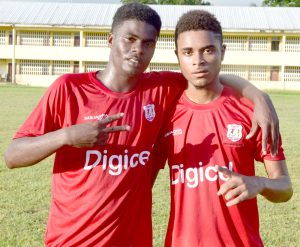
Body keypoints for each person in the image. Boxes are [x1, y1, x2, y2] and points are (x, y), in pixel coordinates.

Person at [4, 3, 280, 247]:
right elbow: (12, 156)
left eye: (148, 43)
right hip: (71, 239)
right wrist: (66, 135)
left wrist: (259, 97)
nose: (138, 49)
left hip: (133, 240)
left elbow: (206, 71)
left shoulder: (159, 88)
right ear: (111, 39)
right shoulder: (69, 89)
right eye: (130, 39)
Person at [152, 10, 293, 247]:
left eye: (208, 50)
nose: (198, 60)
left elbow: (285, 187)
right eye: (188, 52)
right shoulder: (166, 113)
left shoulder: (253, 112)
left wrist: (258, 183)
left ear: (222, 52)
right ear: (178, 56)